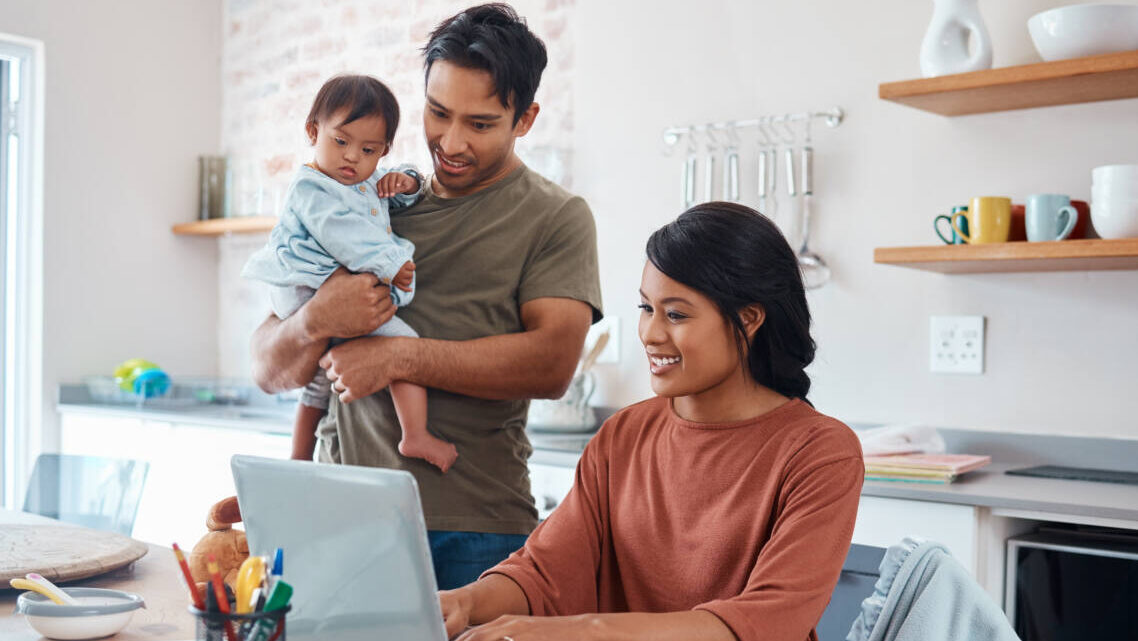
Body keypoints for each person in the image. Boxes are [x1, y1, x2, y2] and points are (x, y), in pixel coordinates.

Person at [249, 3, 602, 590]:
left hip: (479, 529)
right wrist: (315, 319)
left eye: (481, 123)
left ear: (526, 118)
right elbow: (267, 367)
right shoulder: (365, 201)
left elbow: (552, 364)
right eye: (438, 113)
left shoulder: (555, 217)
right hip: (342, 516)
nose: (452, 141)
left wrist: (399, 357)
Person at [439, 202, 865, 641]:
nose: (651, 333)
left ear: (749, 318)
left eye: (676, 314)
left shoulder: (820, 452)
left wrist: (581, 630)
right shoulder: (624, 435)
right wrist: (464, 601)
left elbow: (766, 621)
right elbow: (544, 572)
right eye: (646, 308)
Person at [242, 74, 459, 474]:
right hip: (305, 286)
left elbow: (395, 193)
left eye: (368, 149)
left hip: (314, 287)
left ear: (383, 151)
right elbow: (343, 234)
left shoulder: (364, 181)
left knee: (320, 378)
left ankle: (298, 457)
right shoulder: (313, 187)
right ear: (313, 131)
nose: (352, 157)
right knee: (404, 342)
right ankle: (416, 434)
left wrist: (406, 181)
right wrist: (390, 264)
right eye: (340, 142)